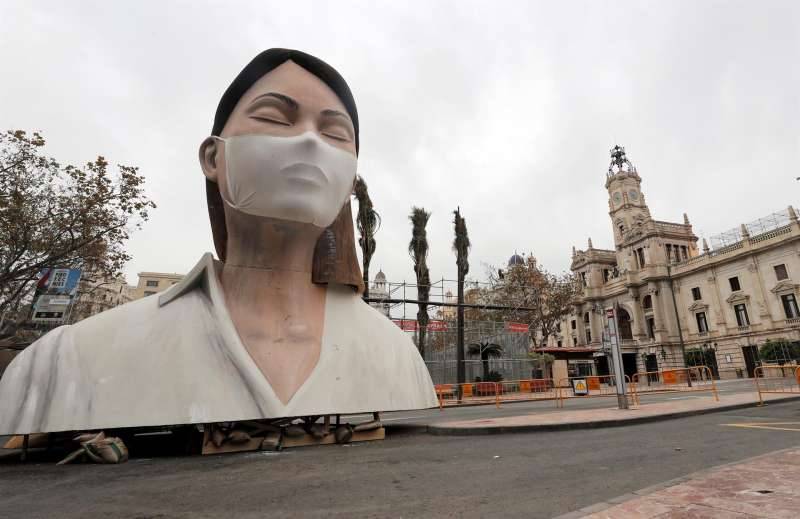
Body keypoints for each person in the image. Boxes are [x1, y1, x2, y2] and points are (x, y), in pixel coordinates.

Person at [0, 49, 437, 435]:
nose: (308, 140)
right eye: (273, 118)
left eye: (334, 133)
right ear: (213, 157)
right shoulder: (63, 365)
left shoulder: (398, 359)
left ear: (348, 183)